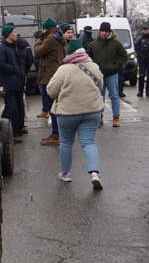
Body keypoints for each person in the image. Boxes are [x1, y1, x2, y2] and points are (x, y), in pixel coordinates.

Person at [48, 39, 105, 188]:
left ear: (69, 53)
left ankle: (65, 174)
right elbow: (100, 85)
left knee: (66, 143)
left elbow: (51, 91)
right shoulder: (94, 66)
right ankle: (94, 174)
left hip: (67, 113)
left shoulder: (64, 69)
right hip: (92, 111)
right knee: (89, 142)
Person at [86, 21, 128, 128]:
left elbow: (123, 57)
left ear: (109, 32)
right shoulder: (93, 45)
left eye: (106, 31)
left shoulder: (116, 43)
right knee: (100, 97)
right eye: (102, 31)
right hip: (98, 75)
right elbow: (88, 59)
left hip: (112, 74)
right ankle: (99, 117)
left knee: (114, 95)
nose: (104, 33)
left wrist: (116, 66)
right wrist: (92, 70)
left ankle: (116, 117)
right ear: (99, 31)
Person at [35, 18, 66, 145]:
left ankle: (56, 134)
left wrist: (38, 41)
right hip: (56, 74)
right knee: (56, 106)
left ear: (47, 28)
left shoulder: (50, 39)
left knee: (51, 107)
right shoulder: (58, 38)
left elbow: (38, 52)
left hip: (48, 76)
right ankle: (59, 132)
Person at [0, 25, 26, 140]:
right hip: (9, 84)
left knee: (19, 106)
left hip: (17, 83)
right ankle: (9, 133)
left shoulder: (14, 47)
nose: (16, 34)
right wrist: (14, 69)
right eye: (14, 32)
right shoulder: (1, 49)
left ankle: (18, 129)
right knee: (11, 108)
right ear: (8, 34)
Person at [134, 26, 149, 97]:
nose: (145, 31)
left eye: (147, 30)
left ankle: (148, 91)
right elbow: (136, 48)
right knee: (141, 76)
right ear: (142, 31)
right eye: (144, 30)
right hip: (142, 60)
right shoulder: (139, 39)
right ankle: (140, 91)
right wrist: (141, 55)